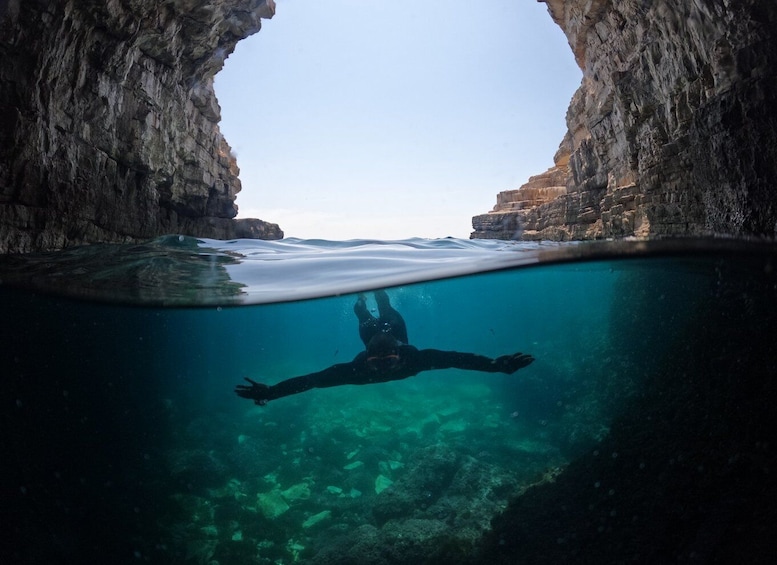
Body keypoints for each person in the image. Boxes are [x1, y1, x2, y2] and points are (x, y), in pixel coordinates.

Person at [235, 290, 534, 405]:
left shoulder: (413, 358)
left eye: (388, 362)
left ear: (399, 354)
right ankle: (360, 301)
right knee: (362, 316)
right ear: (366, 359)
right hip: (372, 335)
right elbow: (311, 381)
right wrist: (271, 393)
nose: (383, 371)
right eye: (377, 365)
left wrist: (496, 366)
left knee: (386, 309)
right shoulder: (356, 369)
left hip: (394, 330)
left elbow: (458, 359)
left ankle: (379, 292)